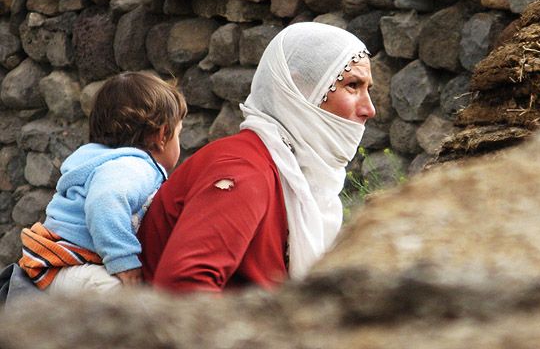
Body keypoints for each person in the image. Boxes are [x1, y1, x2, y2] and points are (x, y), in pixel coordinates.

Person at [138, 22, 376, 293]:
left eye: (368, 89)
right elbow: (183, 287)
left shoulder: (290, 172)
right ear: (299, 89)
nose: (370, 109)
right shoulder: (244, 171)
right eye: (353, 85)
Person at [18, 72, 187, 292]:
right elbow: (105, 201)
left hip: (61, 265)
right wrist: (124, 261)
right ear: (162, 135)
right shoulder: (132, 167)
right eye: (178, 134)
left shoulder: (105, 162)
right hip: (71, 265)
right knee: (132, 303)